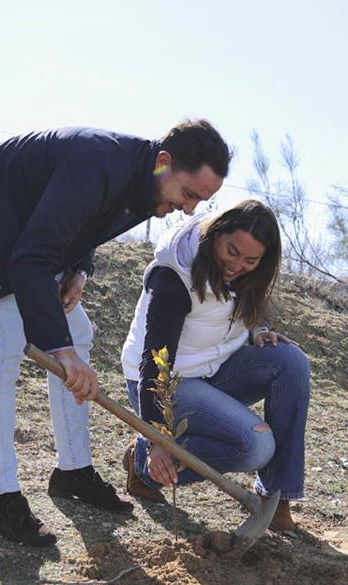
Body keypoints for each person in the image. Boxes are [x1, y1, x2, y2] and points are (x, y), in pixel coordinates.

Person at [0, 121, 230, 547]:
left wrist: (79, 270)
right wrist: (61, 351)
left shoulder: (138, 176)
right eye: (189, 194)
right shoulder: (98, 163)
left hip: (16, 240)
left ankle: (73, 471)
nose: (188, 208)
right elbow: (33, 256)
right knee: (3, 341)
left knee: (78, 330)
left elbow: (78, 222)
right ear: (164, 163)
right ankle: (0, 497)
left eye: (199, 201)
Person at [119, 199, 309, 531]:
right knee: (255, 447)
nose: (237, 265)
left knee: (290, 361)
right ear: (215, 234)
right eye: (232, 252)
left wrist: (259, 329)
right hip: (164, 383)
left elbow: (241, 312)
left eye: (251, 260)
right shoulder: (174, 275)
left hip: (213, 370)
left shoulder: (247, 274)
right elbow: (154, 362)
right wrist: (158, 438)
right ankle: (143, 463)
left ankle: (276, 496)